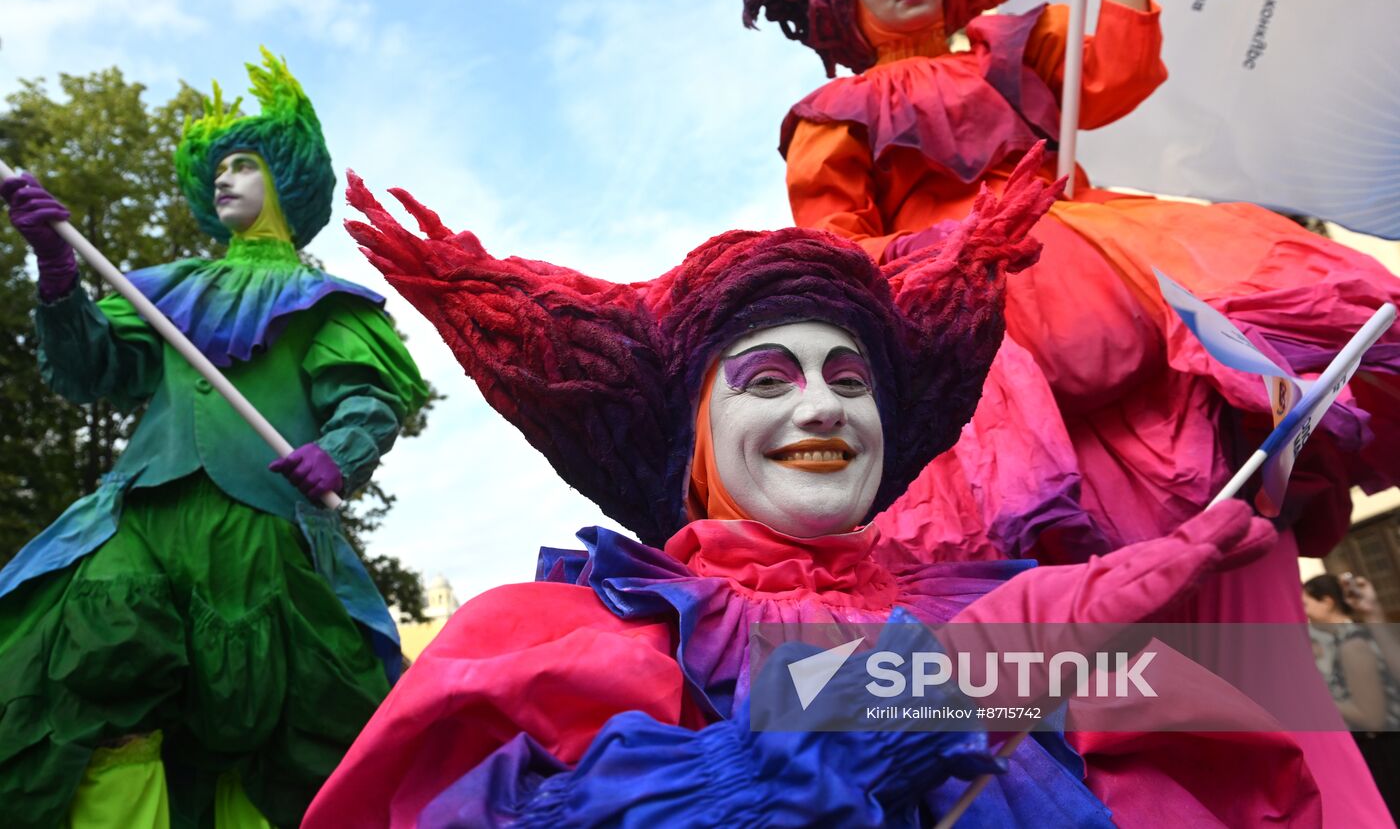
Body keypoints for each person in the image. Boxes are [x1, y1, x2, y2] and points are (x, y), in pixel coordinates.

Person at [301, 149, 1320, 827]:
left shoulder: (976, 608)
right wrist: (752, 775)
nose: (825, 408)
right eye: (766, 381)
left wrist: (1142, 597)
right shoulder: (552, 641)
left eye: (849, 380)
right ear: (693, 442)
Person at [744, 0, 1398, 818]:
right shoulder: (833, 113)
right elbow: (840, 249)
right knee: (1051, 593)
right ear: (846, 9)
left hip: (1119, 276)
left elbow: (1118, 66)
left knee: (1219, 534)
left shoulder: (1015, 44)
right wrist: (941, 287)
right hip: (972, 341)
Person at [0, 50, 428, 828]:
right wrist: (58, 269)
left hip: (260, 531)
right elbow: (89, 364)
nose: (225, 178)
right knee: (100, 667)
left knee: (265, 719)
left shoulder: (326, 301)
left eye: (244, 164)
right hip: (138, 517)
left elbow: (367, 397)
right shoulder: (163, 288)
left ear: (284, 180)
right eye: (218, 168)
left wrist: (340, 450)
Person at [1303, 574, 1400, 819]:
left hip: (1382, 755)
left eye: (1305, 605)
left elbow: (1372, 718)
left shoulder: (1352, 645)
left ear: (1326, 602)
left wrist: (1316, 697)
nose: (1303, 615)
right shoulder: (1345, 640)